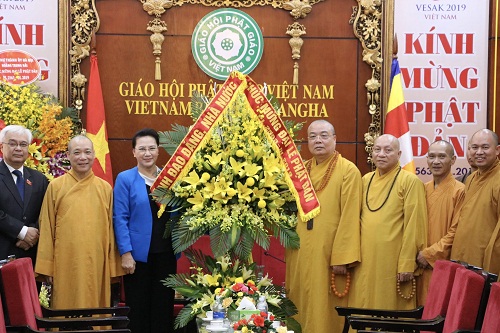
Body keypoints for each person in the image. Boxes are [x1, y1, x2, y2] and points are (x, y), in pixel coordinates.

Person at [285, 120, 362, 333]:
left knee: (324, 306)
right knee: (300, 299)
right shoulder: (301, 171)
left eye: (324, 135)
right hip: (301, 250)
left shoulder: (348, 171)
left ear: (335, 139)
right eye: (312, 136)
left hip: (328, 253)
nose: (318, 140)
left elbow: (350, 215)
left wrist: (342, 257)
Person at [35, 135, 123, 309]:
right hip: (65, 262)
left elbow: (113, 230)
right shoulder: (56, 186)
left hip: (97, 262)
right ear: (68, 155)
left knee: (96, 311)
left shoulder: (105, 188)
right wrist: (47, 266)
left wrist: (113, 266)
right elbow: (46, 228)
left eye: (87, 152)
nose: (83, 157)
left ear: (94, 155)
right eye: (77, 152)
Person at [349, 134, 427, 310]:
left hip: (393, 261)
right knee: (363, 305)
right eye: (377, 149)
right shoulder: (365, 180)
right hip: (365, 260)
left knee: (389, 309)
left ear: (399, 154)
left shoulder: (410, 181)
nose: (381, 154)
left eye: (388, 150)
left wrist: (407, 263)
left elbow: (414, 225)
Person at [113, 128, 177, 333]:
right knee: (139, 309)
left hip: (166, 254)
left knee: (163, 307)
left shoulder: (170, 178)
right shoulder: (125, 179)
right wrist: (126, 253)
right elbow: (120, 218)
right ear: (134, 152)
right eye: (142, 149)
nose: (147, 153)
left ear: (158, 150)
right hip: (137, 258)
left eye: (151, 148)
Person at [416, 140, 465, 305]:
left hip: (442, 263)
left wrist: (430, 254)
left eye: (442, 156)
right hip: (418, 264)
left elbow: (457, 231)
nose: (436, 161)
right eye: (432, 156)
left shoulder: (460, 191)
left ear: (453, 160)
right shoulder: (422, 188)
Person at [451, 129, 500, 273]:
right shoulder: (471, 179)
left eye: (485, 147)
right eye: (474, 147)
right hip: (464, 257)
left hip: (487, 262)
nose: (479, 152)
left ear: (497, 150)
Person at [0, 125, 48, 263]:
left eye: (23, 144)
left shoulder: (39, 179)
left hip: (30, 257)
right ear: (2, 147)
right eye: (13, 143)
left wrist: (33, 233)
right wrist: (22, 232)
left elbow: (46, 212)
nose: (18, 148)